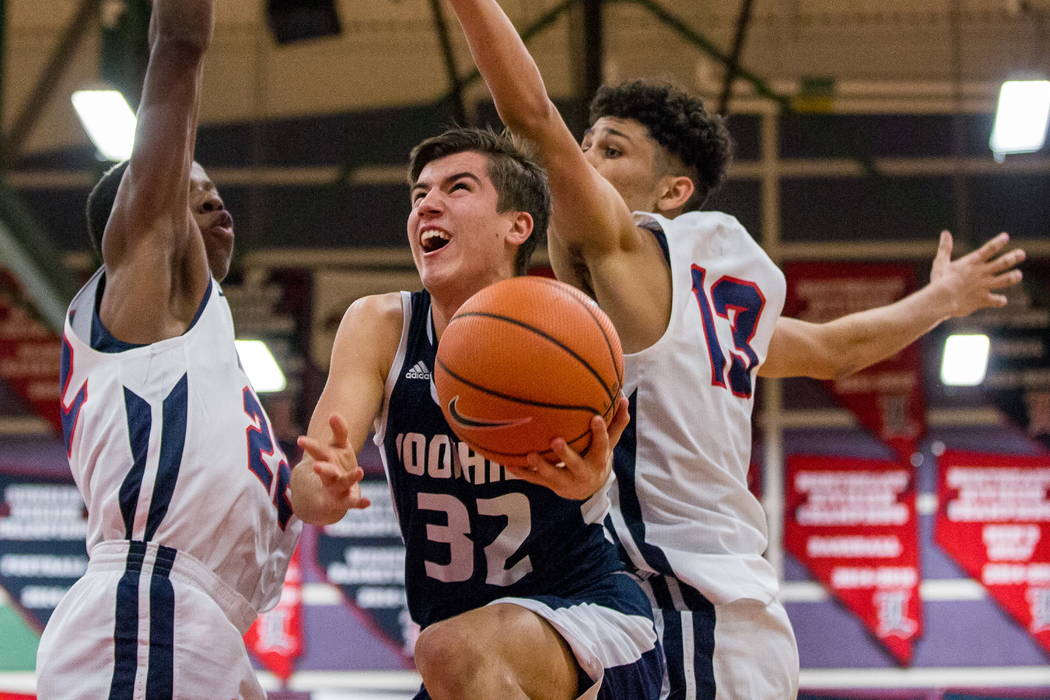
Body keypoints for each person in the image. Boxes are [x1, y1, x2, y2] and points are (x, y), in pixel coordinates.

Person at [444, 1, 1028, 698]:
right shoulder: (708, 291)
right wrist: (940, 300)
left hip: (693, 603)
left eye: (611, 149)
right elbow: (831, 349)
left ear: (673, 191)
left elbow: (535, 120)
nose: (587, 161)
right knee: (461, 650)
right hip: (659, 599)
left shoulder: (631, 251)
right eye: (590, 144)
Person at [290, 127, 663, 699]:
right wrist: (327, 485)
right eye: (418, 195)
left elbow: (598, 479)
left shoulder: (562, 327)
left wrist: (590, 484)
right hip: (465, 654)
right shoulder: (381, 326)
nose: (427, 205)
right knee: (450, 650)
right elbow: (310, 495)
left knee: (448, 648)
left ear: (517, 226)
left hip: (588, 617)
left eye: (457, 187)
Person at [36, 2, 301, 698]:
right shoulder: (143, 290)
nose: (213, 203)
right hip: (150, 603)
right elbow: (178, 45)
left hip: (200, 619)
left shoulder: (208, 358)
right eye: (191, 193)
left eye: (217, 192)